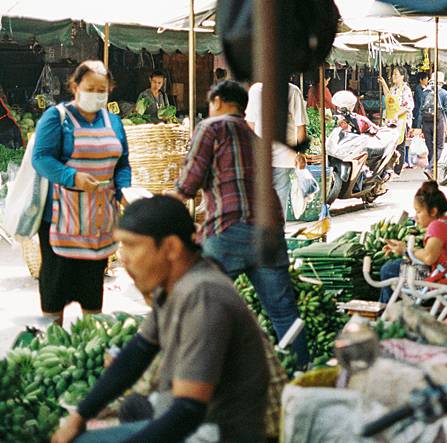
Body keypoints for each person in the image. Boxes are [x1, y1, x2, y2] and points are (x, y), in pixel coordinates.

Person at [51, 196, 269, 443]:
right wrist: (79, 416)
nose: (123, 257)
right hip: (191, 416)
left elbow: (188, 411)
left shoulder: (203, 296)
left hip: (217, 432)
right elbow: (138, 351)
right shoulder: (175, 284)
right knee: (132, 407)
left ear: (171, 248)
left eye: (132, 245)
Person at [171, 80, 309, 366]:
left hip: (228, 230)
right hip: (269, 232)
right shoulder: (255, 138)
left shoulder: (211, 128)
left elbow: (189, 182)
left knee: (205, 308)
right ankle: (302, 372)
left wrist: (163, 209)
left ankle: (201, 375)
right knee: (284, 312)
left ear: (218, 101)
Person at [32, 60, 131, 324]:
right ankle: (52, 341)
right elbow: (41, 158)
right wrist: (72, 177)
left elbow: (122, 164)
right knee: (55, 288)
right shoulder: (57, 117)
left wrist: (124, 191)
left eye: (103, 89)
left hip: (99, 221)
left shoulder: (114, 122)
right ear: (75, 87)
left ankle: (89, 337)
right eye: (91, 88)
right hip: (61, 219)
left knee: (91, 289)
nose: (97, 94)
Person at [378, 182, 447, 303]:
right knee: (395, 266)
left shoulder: (437, 225)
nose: (415, 217)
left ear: (433, 211)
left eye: (418, 211)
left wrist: (405, 250)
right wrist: (405, 249)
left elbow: (429, 257)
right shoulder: (446, 222)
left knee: (389, 269)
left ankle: (387, 313)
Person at [245, 81, 309, 220]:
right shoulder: (290, 90)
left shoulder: (291, 91)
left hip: (279, 158)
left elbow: (300, 126)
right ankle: (274, 236)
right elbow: (300, 126)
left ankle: (270, 236)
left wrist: (300, 154)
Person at [379, 65, 414, 175]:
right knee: (390, 144)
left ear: (402, 76)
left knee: (400, 144)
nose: (393, 76)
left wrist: (397, 115)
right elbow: (388, 96)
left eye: (396, 74)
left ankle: (397, 170)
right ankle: (390, 167)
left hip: (401, 120)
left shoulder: (405, 89)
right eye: (393, 74)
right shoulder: (393, 88)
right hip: (390, 120)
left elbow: (408, 106)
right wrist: (383, 83)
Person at [420, 71, 447, 170]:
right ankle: (430, 167)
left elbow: (420, 109)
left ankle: (431, 167)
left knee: (430, 145)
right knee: (439, 146)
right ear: (441, 82)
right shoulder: (443, 93)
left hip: (426, 122)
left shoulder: (425, 92)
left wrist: (418, 126)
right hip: (438, 121)